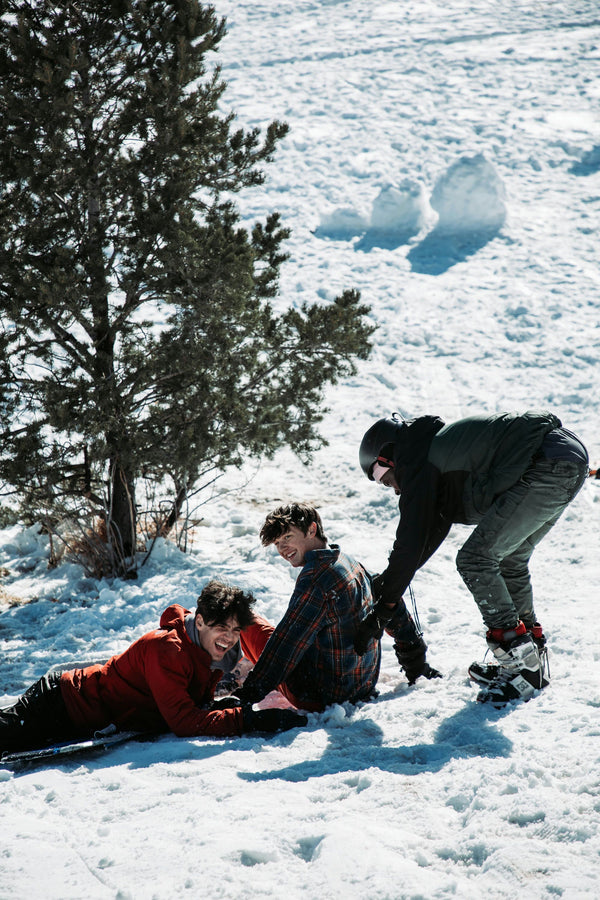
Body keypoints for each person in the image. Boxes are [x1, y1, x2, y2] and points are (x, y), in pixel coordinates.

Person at [356, 410, 589, 705]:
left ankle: (520, 666)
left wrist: (384, 607)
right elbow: (424, 537)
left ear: (389, 457)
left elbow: (411, 540)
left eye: (385, 480)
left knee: (476, 560)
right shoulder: (430, 453)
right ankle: (531, 664)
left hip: (547, 463)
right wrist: (390, 589)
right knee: (508, 560)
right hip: (565, 457)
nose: (395, 490)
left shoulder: (417, 460)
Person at [0, 580, 307, 755]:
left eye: (235, 630)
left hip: (83, 716)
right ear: (199, 621)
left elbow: (190, 704)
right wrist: (248, 720)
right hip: (62, 702)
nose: (229, 638)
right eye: (220, 628)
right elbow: (184, 723)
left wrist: (225, 706)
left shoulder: (212, 649)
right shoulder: (167, 650)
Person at [229, 502, 382, 711]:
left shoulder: (315, 577)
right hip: (362, 685)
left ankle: (230, 672)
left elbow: (287, 643)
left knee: (242, 618)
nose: (282, 549)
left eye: (287, 537)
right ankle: (248, 667)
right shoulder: (349, 562)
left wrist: (247, 696)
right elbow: (391, 606)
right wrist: (414, 658)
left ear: (312, 529)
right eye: (277, 543)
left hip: (319, 695)